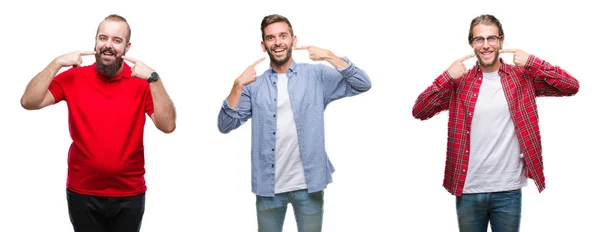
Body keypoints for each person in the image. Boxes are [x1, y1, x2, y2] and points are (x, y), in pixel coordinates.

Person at [412, 14, 579, 231]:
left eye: (492, 38)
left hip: (508, 190)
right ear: (471, 44)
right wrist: (446, 77)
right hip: (469, 188)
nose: (486, 45)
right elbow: (420, 111)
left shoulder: (522, 77)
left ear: (501, 40)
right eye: (479, 39)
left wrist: (533, 62)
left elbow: (571, 86)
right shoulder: (460, 83)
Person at [20, 14, 176, 232]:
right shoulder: (73, 77)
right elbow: (29, 102)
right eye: (103, 38)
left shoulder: (142, 82)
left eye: (117, 40)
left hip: (129, 193)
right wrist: (57, 63)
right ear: (95, 41)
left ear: (127, 47)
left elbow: (167, 126)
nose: (108, 46)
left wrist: (154, 79)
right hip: (82, 191)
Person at [217, 14, 372, 232]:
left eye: (283, 36)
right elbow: (224, 125)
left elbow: (363, 84)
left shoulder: (316, 76)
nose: (277, 42)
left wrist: (330, 56)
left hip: (309, 185)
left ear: (293, 40)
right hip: (268, 187)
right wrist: (237, 86)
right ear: (264, 45)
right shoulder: (254, 86)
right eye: (271, 38)